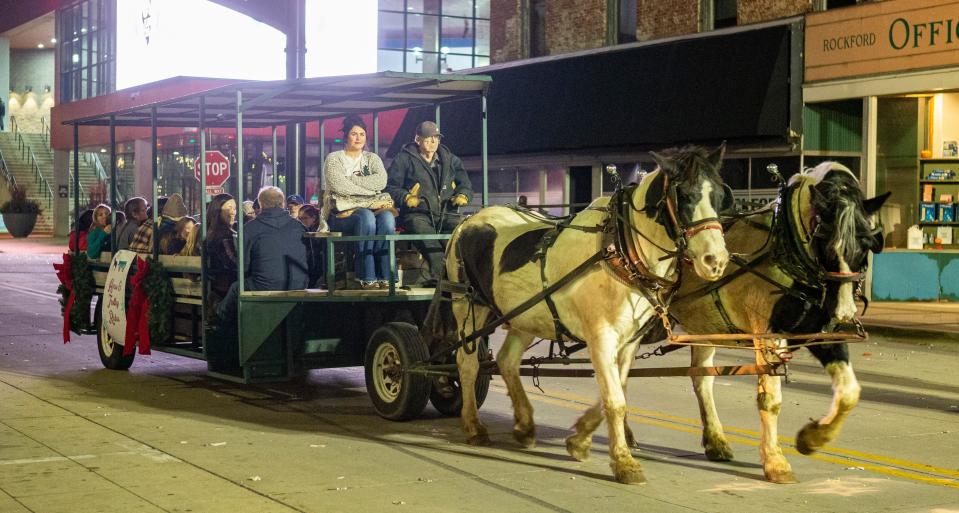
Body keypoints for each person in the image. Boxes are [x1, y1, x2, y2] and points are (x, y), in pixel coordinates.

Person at [386, 120, 472, 286]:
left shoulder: (451, 160)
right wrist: (406, 197)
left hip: (448, 213)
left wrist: (463, 194)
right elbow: (391, 187)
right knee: (431, 244)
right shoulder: (403, 159)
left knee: (461, 240)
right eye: (428, 138)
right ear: (418, 140)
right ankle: (441, 281)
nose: (433, 142)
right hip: (417, 214)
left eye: (436, 138)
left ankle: (464, 279)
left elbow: (465, 184)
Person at [319, 115, 396, 289]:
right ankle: (366, 276)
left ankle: (386, 276)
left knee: (387, 219)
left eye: (362, 134)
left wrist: (351, 180)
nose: (358, 138)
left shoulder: (372, 158)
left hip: (368, 208)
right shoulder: (334, 159)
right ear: (346, 136)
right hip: (340, 213)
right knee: (366, 217)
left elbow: (381, 182)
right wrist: (369, 197)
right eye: (354, 134)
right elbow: (340, 187)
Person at [216, 187, 308, 320]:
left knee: (236, 288)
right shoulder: (298, 226)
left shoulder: (250, 228)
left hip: (265, 286)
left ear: (261, 204)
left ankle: (219, 319)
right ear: (282, 203)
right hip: (298, 285)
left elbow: (244, 267)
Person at [205, 193, 238, 310]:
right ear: (217, 210)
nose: (233, 212)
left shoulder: (208, 231)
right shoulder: (224, 235)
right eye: (229, 208)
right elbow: (232, 262)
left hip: (215, 284)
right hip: (225, 286)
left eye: (234, 208)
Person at [297, 204, 324, 288]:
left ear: (314, 218)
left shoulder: (321, 231)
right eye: (300, 218)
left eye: (305, 218)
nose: (302, 221)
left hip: (319, 271)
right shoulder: (302, 231)